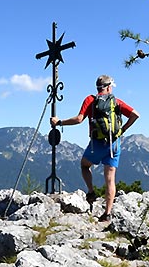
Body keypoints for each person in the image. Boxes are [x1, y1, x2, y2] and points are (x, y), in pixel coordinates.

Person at [50, 74, 139, 222]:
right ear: (109, 87)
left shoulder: (90, 100)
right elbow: (135, 115)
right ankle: (107, 213)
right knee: (110, 180)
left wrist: (59, 122)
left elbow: (79, 119)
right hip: (114, 144)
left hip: (96, 144)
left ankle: (91, 191)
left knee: (84, 165)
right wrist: (122, 130)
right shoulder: (116, 102)